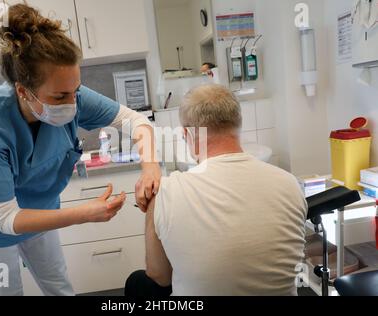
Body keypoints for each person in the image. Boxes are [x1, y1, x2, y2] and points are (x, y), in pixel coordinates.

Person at [0, 3, 160, 296]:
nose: (73, 103)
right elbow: (7, 218)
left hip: (38, 210)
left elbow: (132, 119)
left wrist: (150, 167)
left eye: (75, 91)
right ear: (23, 90)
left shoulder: (71, 93)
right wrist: (85, 213)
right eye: (61, 96)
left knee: (58, 284)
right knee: (5, 292)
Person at [125, 84, 308, 296]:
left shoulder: (165, 193)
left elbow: (160, 276)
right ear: (239, 124)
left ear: (187, 134)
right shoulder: (290, 184)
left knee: (137, 282)